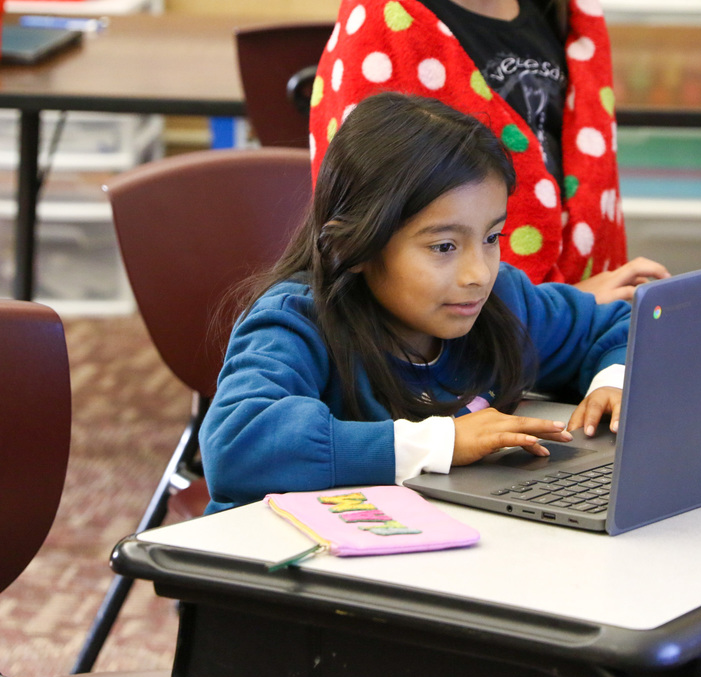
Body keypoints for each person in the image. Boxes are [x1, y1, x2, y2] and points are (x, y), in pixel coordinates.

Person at [200, 93, 631, 513]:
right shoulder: (296, 322)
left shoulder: (500, 300)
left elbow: (618, 326)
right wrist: (442, 443)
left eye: (491, 238)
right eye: (444, 246)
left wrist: (613, 380)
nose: (478, 273)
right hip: (279, 573)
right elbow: (237, 444)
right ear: (351, 247)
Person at [308, 0, 670, 303]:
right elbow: (382, 251)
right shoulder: (383, 23)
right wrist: (571, 305)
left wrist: (584, 319)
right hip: (474, 343)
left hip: (572, 329)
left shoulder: (563, 16)